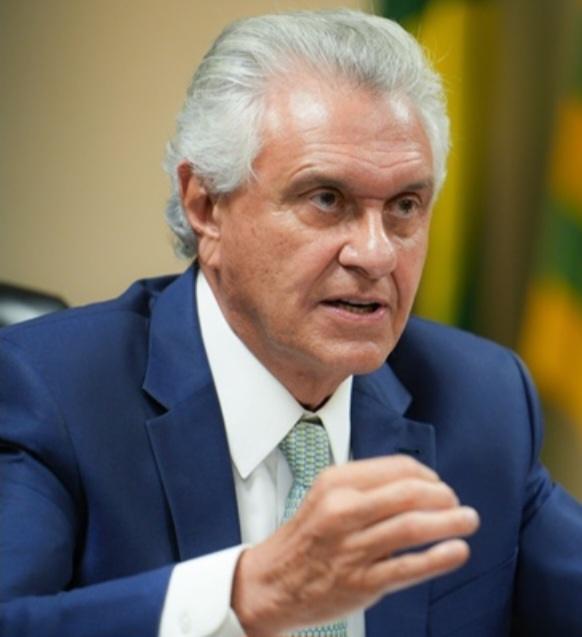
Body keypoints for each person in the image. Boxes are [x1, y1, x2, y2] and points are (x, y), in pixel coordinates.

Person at [0, 9, 580, 637]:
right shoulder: (53, 392)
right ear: (205, 205)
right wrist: (244, 595)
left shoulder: (481, 399)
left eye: (405, 206)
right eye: (327, 199)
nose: (376, 255)